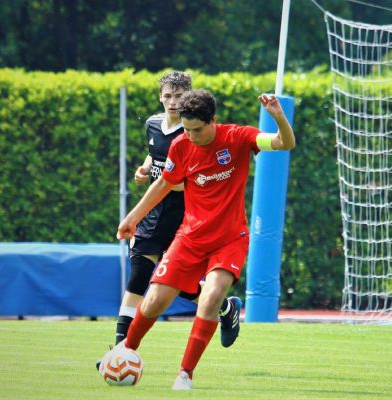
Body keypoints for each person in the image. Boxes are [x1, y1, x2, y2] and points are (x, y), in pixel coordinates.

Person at [112, 89, 295, 390]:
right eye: (186, 129)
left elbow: (284, 142)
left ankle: (185, 374)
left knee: (210, 298)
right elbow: (163, 184)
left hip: (229, 239)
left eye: (197, 129)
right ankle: (125, 351)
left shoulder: (238, 137)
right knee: (156, 299)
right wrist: (132, 217)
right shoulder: (181, 146)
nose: (191, 136)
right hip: (190, 237)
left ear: (213, 121)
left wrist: (278, 117)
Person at [111, 71, 241, 352]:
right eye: (168, 95)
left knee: (177, 284)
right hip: (153, 212)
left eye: (179, 96)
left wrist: (170, 181)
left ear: (189, 99)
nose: (172, 102)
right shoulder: (153, 124)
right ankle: (120, 350)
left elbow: (183, 177)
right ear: (160, 97)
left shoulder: (192, 132)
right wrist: (146, 168)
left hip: (183, 216)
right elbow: (155, 152)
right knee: (138, 276)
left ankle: (225, 307)